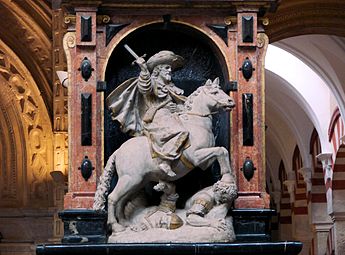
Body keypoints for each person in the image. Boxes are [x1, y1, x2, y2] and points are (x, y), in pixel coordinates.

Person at [107, 50, 189, 177]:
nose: (169, 71)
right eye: (167, 68)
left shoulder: (171, 86)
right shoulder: (153, 82)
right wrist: (144, 69)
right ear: (158, 70)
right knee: (181, 131)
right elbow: (145, 87)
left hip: (172, 116)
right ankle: (165, 161)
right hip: (157, 117)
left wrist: (177, 107)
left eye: (170, 68)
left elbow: (181, 102)